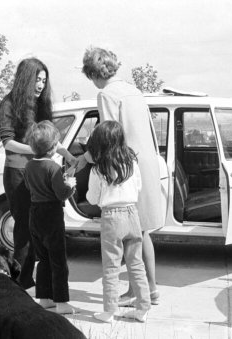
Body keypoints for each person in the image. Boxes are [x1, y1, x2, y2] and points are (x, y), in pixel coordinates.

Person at [78, 46, 163, 306]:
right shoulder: (134, 90)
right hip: (146, 163)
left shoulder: (106, 95)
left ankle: (134, 292)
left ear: (93, 74)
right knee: (142, 230)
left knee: (126, 233)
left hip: (124, 166)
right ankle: (151, 289)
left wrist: (86, 157)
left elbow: (108, 138)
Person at [0, 57, 76, 289]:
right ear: (25, 79)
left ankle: (25, 278)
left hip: (39, 171)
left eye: (44, 80)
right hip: (18, 174)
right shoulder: (9, 103)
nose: (41, 85)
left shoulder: (42, 104)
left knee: (37, 229)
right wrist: (36, 150)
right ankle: (18, 281)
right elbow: (7, 142)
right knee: (24, 228)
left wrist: (67, 153)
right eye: (37, 79)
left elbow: (51, 139)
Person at [86, 120, 151, 323]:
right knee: (136, 263)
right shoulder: (132, 162)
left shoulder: (98, 169)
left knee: (111, 266)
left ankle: (109, 310)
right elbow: (138, 187)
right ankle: (143, 307)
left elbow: (92, 198)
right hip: (132, 214)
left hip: (111, 217)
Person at [24, 120, 78, 314]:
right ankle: (62, 302)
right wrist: (70, 184)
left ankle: (44, 298)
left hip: (35, 213)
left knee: (43, 260)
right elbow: (61, 194)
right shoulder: (53, 168)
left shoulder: (29, 166)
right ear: (53, 147)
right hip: (52, 215)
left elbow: (30, 187)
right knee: (58, 260)